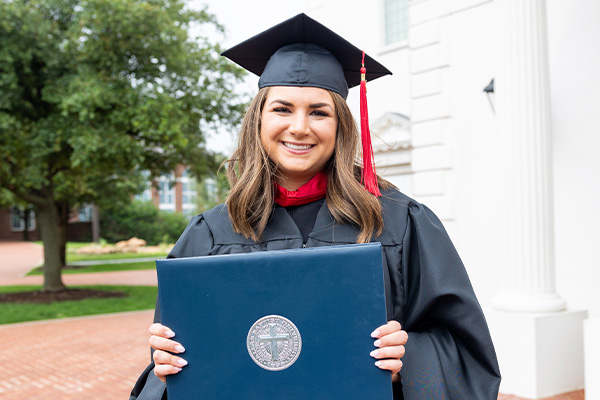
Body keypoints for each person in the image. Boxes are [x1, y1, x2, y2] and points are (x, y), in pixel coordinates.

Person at [130, 13, 501, 400]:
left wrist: (409, 361)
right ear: (257, 121)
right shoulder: (209, 234)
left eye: (319, 112)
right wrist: (167, 365)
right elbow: (177, 368)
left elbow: (464, 350)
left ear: (341, 125)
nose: (300, 127)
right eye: (282, 108)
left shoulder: (400, 222)